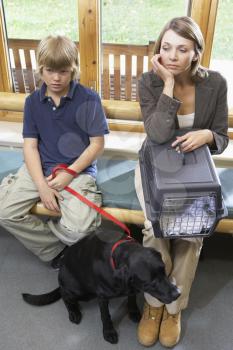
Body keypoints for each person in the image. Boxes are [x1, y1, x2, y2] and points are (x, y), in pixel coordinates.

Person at [135, 16, 228, 348]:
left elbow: (221, 137)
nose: (172, 56)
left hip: (194, 170)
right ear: (159, 51)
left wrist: (207, 135)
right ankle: (153, 304)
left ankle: (173, 308)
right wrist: (169, 86)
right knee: (154, 229)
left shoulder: (215, 84)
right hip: (154, 167)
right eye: (166, 47)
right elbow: (158, 133)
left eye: (182, 49)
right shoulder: (148, 82)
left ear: (196, 52)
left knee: (191, 231)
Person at [0, 35, 109, 268]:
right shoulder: (32, 102)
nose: (56, 78)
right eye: (50, 70)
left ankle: (65, 243)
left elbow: (97, 145)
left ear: (74, 69)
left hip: (77, 171)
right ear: (40, 69)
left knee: (81, 228)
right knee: (4, 212)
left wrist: (69, 173)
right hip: (39, 168)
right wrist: (41, 186)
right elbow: (30, 146)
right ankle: (56, 249)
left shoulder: (89, 99)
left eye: (64, 71)